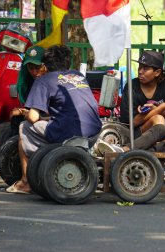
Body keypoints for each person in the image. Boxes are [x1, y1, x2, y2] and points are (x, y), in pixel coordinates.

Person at [6, 45, 102, 194]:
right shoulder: (78, 75)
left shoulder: (43, 81)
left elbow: (32, 117)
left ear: (45, 65)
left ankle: (26, 182)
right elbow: (68, 110)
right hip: (94, 132)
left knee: (24, 127)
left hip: (68, 134)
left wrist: (24, 113)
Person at [119, 50, 165, 139]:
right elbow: (133, 122)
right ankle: (158, 149)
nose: (140, 71)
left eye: (146, 68)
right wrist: (162, 107)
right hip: (137, 132)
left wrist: (155, 108)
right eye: (140, 67)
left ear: (157, 72)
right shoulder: (131, 86)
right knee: (158, 118)